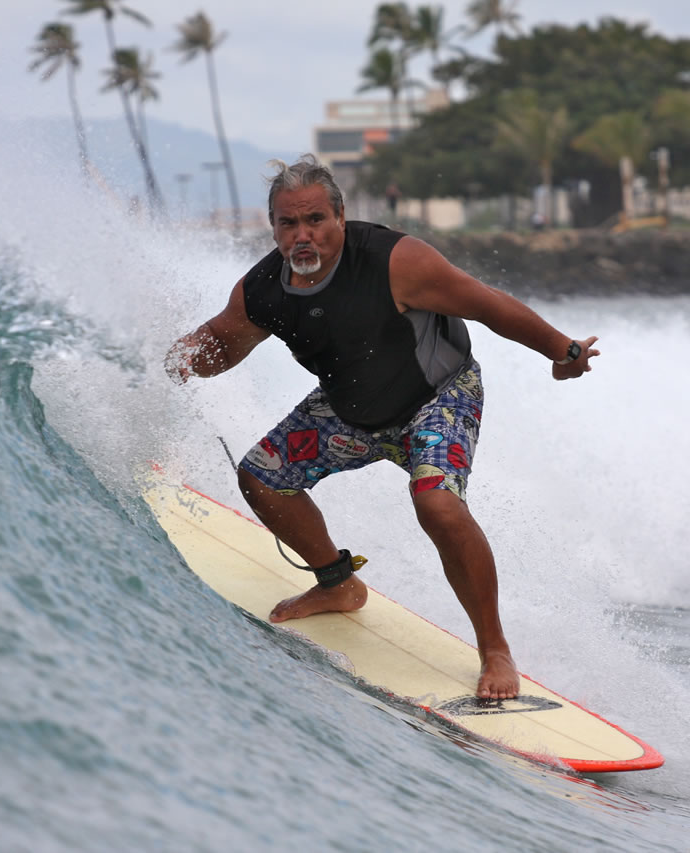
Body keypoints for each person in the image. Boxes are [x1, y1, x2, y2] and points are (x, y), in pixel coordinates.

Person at [165, 155, 598, 700]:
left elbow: (489, 305)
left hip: (438, 398)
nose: (303, 236)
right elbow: (216, 347)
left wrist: (565, 350)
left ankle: (495, 648)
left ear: (341, 217)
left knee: (437, 504)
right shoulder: (263, 293)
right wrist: (160, 362)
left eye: (315, 220)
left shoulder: (396, 261)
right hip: (352, 411)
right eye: (288, 224)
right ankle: (337, 583)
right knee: (261, 476)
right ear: (273, 226)